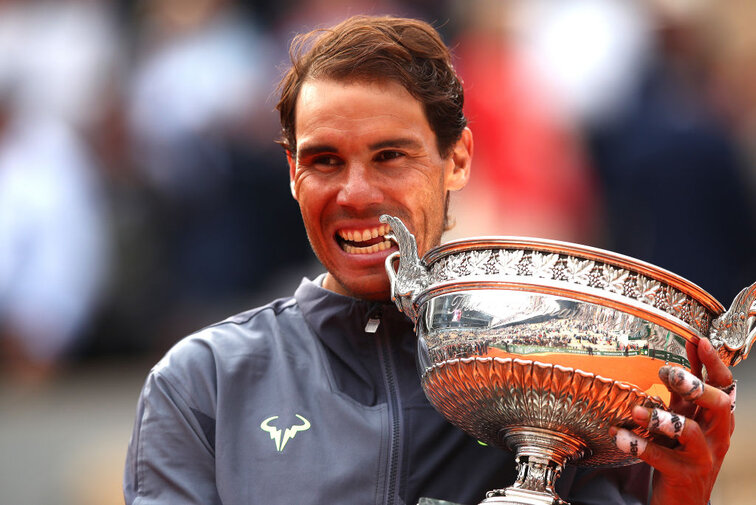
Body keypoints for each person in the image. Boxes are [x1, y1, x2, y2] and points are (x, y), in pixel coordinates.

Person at [124, 15, 736, 505]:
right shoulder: (202, 383)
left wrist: (681, 496)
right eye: (325, 161)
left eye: (391, 156)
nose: (356, 194)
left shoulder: (567, 380)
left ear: (459, 159)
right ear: (291, 173)